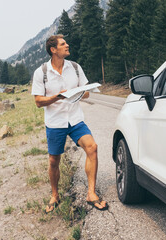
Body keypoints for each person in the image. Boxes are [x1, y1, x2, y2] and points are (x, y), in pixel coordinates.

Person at [31, 34, 108, 213]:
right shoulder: (41, 72)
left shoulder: (75, 67)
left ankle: (91, 193)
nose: (67, 45)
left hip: (75, 119)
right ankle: (54, 195)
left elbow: (87, 93)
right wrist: (58, 96)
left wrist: (76, 93)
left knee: (92, 147)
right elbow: (38, 101)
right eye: (63, 44)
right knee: (53, 161)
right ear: (53, 50)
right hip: (55, 122)